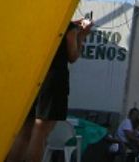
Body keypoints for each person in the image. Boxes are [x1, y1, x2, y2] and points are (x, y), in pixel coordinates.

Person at [6, 17, 94, 162]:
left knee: (24, 134)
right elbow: (72, 56)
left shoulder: (40, 20)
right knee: (40, 134)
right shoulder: (68, 27)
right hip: (53, 81)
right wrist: (82, 35)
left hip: (31, 77)